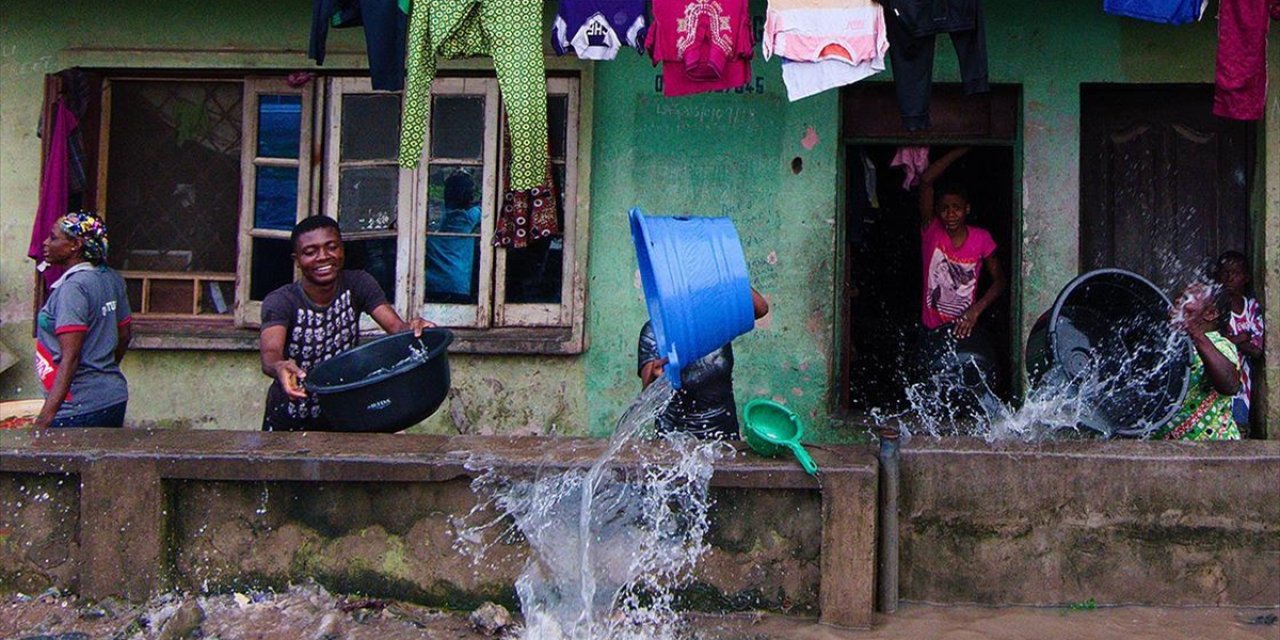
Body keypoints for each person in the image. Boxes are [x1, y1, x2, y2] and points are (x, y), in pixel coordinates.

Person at [259, 216, 433, 431]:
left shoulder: (358, 284)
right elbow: (270, 353)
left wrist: (415, 328)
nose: (323, 257)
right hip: (289, 419)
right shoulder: (281, 301)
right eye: (310, 252)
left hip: (343, 414)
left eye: (331, 247)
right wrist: (280, 366)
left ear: (342, 250)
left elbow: (396, 328)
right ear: (297, 259)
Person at [32, 211, 132, 429]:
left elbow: (71, 357)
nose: (46, 243)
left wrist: (44, 420)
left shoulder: (74, 288)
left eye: (54, 238)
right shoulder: (111, 278)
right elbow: (124, 336)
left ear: (75, 245)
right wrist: (102, 372)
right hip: (112, 397)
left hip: (77, 407)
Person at [637, 289, 770, 440]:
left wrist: (727, 272)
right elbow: (648, 398)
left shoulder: (718, 322)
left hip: (723, 434)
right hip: (676, 440)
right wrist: (656, 378)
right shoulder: (655, 332)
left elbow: (761, 308)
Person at [918, 146, 1006, 339]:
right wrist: (961, 149)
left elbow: (1000, 281)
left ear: (967, 209)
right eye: (944, 208)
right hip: (930, 330)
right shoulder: (931, 231)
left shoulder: (982, 238)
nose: (950, 214)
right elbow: (925, 181)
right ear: (937, 211)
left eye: (956, 208)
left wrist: (976, 310)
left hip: (964, 329)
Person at [1153, 282, 1241, 441]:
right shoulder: (1170, 342)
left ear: (1211, 313)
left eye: (1188, 298)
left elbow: (1231, 385)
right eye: (1179, 296)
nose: (1179, 301)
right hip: (1168, 449)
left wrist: (1195, 333)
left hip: (1213, 447)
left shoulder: (1220, 345)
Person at [1213, 251, 1264, 434]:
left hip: (1242, 387)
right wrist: (1242, 338)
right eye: (1225, 272)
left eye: (1235, 273)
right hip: (1214, 387)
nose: (1229, 278)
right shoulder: (1212, 307)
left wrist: (1228, 339)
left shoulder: (1251, 308)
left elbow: (1257, 350)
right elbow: (1212, 342)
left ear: (1246, 278)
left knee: (1238, 430)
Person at [425, 171, 483, 303]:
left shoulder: (442, 219)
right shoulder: (467, 218)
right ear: (468, 196)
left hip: (432, 284)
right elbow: (488, 204)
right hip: (457, 284)